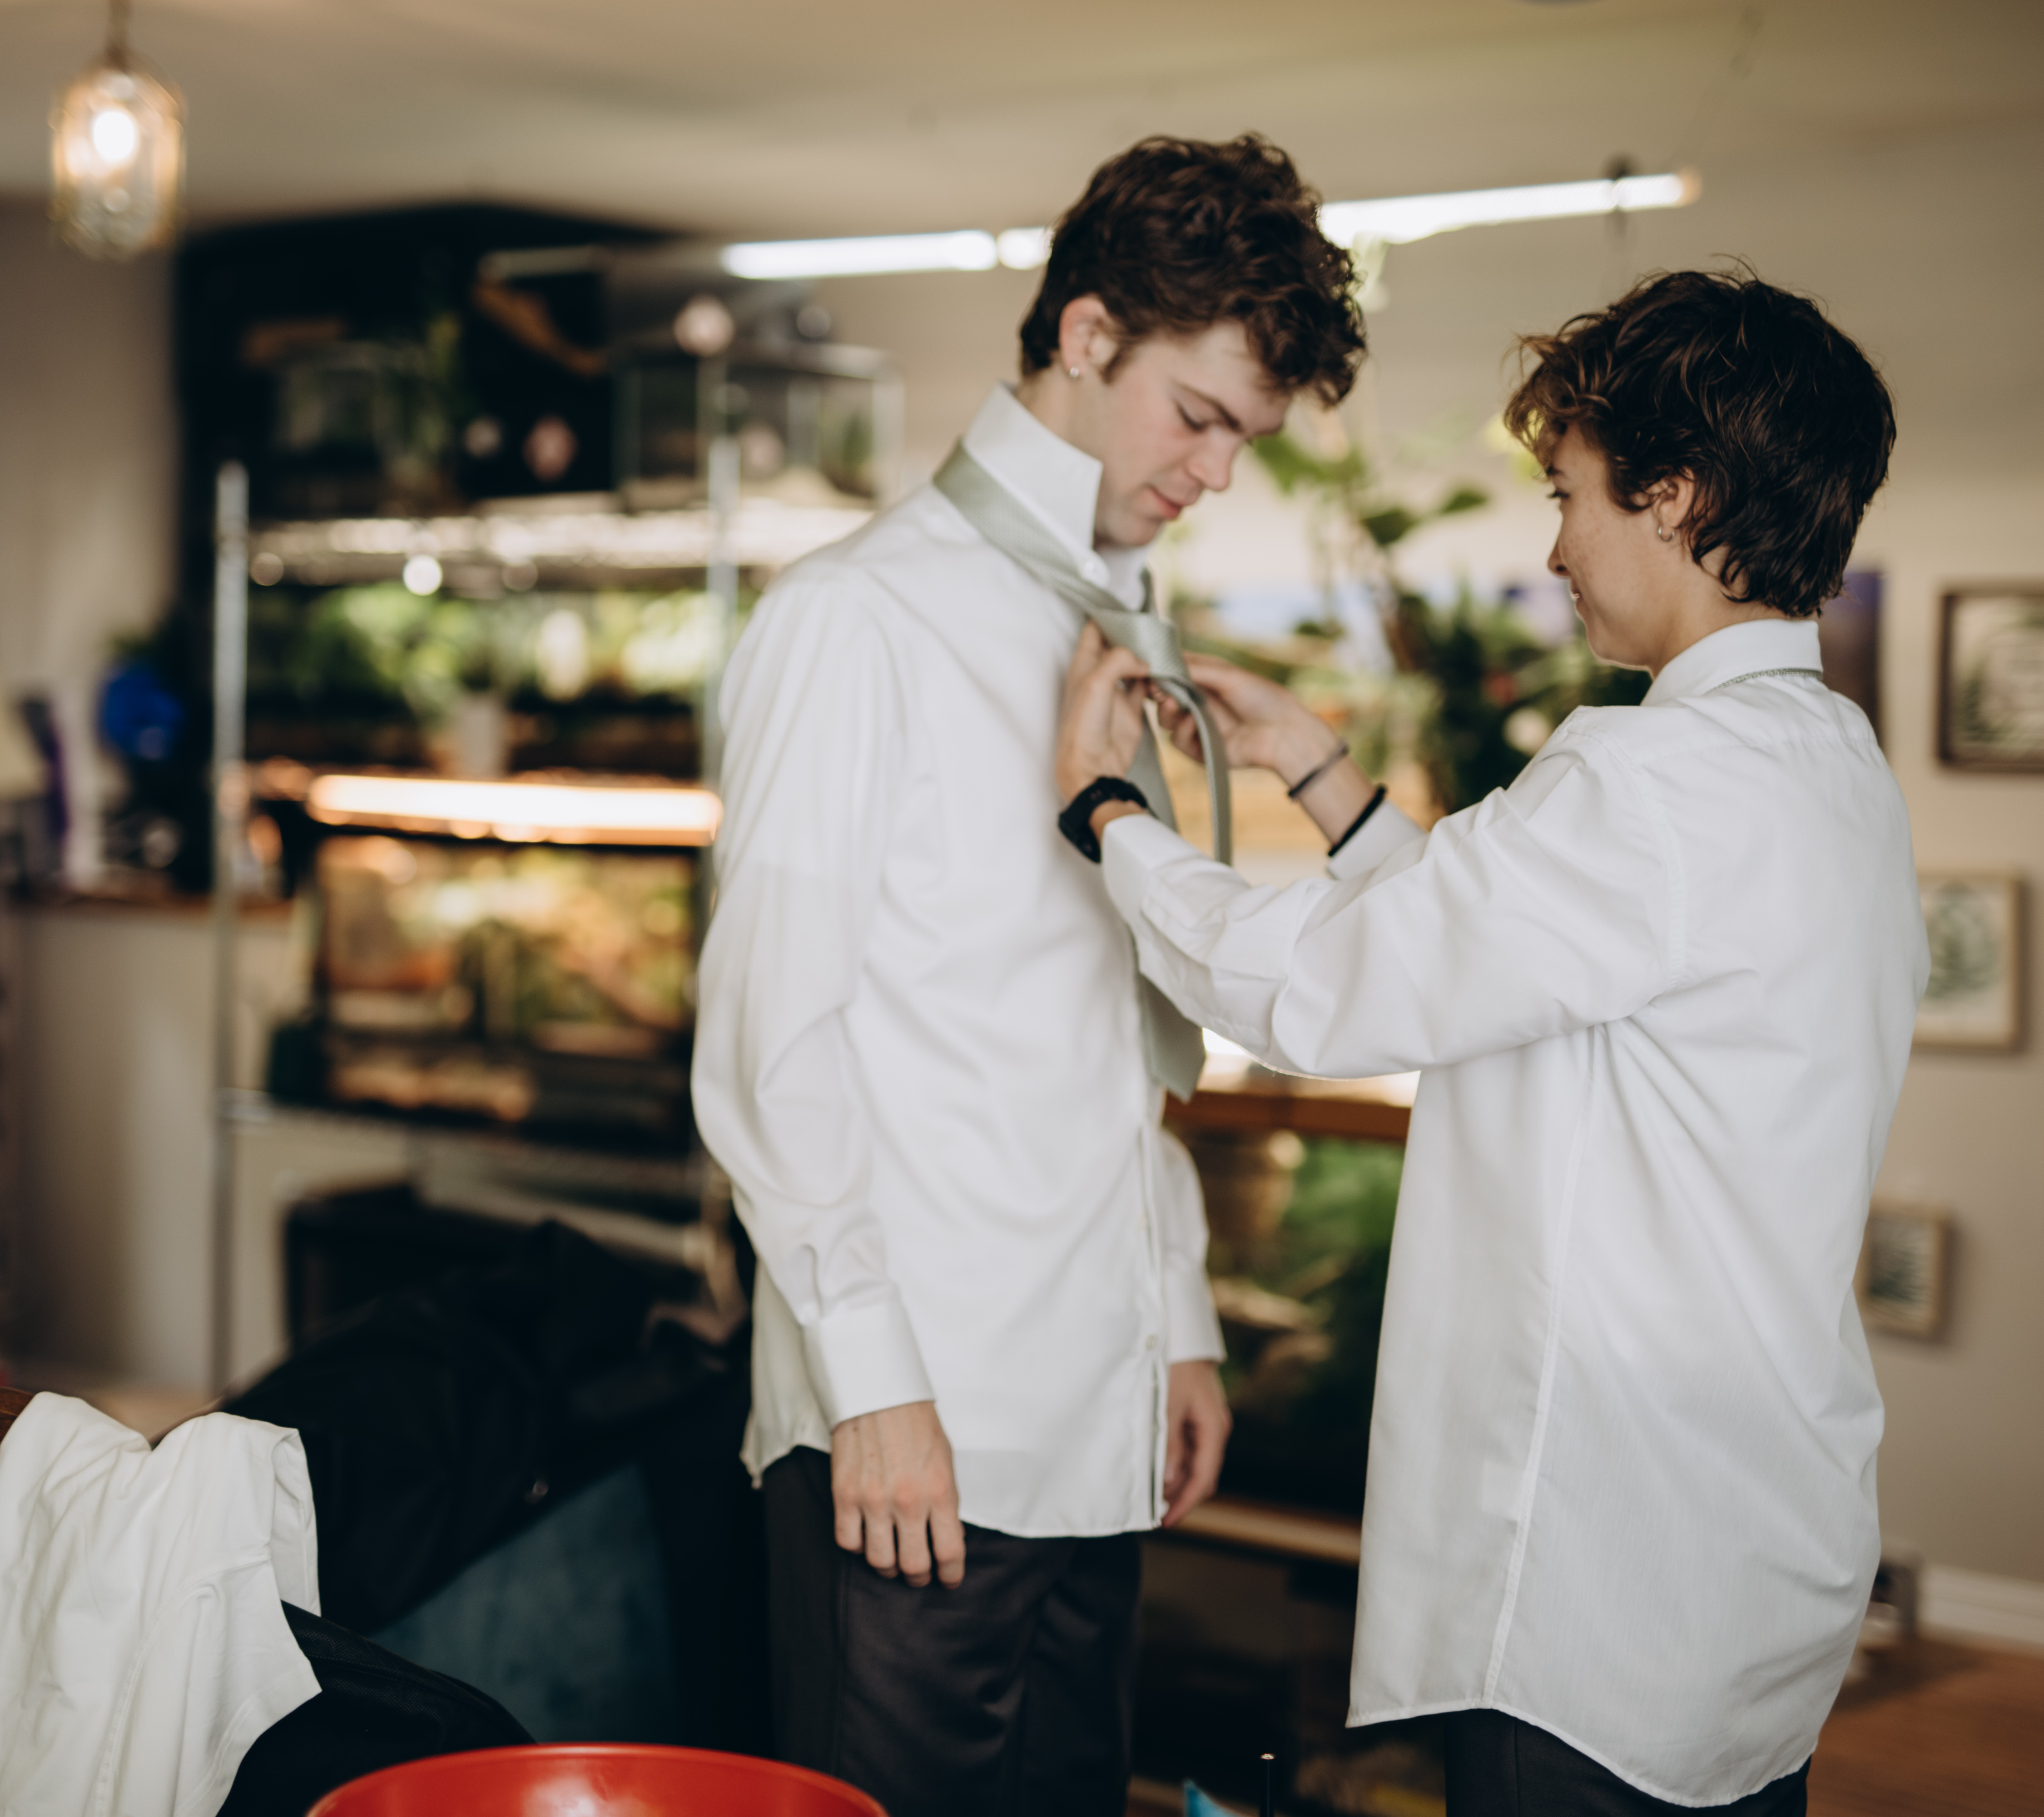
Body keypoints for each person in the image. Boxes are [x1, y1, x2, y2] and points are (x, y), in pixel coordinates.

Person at [1055, 268, 1918, 1815]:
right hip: (1744, 1553)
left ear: (1678, 495)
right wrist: (1316, 767)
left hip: (1600, 1579)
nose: (1557, 547)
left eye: (1570, 494)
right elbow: (1520, 961)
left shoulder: (1657, 782)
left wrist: (1107, 817)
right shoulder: (1823, 760)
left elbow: (1324, 989)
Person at [690, 134, 1366, 1816]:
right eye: (1198, 417)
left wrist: (1177, 1319)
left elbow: (1099, 1024)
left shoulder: (1117, 632)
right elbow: (773, 1047)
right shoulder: (853, 622)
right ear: (1085, 334)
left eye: (1246, 438)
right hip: (911, 1430)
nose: (1217, 472)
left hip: (1094, 1422)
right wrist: (876, 1385)